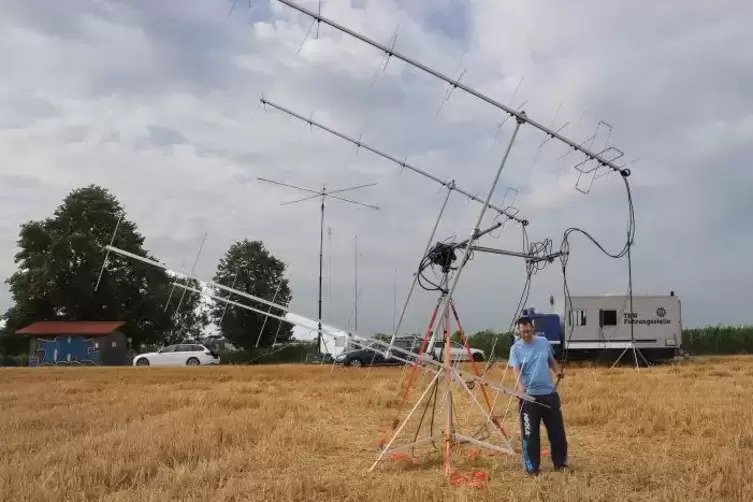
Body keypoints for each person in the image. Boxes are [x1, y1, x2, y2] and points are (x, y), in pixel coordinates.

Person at [508, 316, 569, 475]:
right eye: (522, 332)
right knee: (530, 434)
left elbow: (551, 360)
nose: (525, 335)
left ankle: (560, 464)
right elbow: (516, 371)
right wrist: (521, 388)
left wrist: (557, 371)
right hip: (529, 398)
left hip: (549, 394)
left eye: (527, 331)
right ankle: (533, 468)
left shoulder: (543, 342)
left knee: (557, 432)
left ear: (532, 328)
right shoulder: (515, 349)